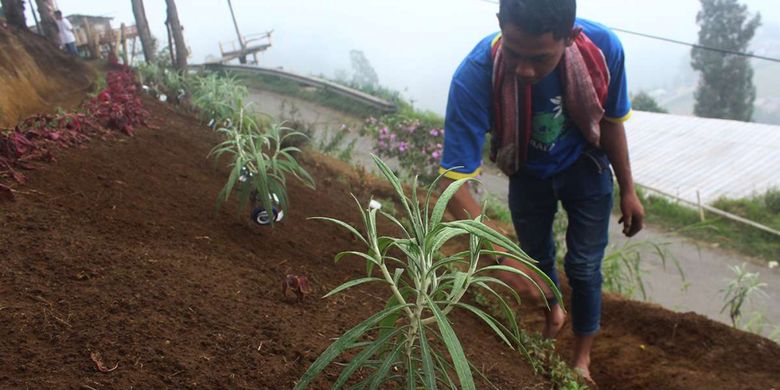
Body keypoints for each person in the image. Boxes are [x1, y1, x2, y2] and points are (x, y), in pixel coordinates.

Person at [439, 0, 644, 383]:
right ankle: (553, 318)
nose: (524, 69)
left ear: (569, 37)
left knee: (583, 268)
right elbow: (451, 182)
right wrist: (502, 255)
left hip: (587, 165)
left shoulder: (603, 49)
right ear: (500, 23)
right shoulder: (475, 75)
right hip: (528, 173)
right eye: (514, 53)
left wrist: (628, 190)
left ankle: (582, 358)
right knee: (535, 260)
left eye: (540, 58)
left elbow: (613, 122)